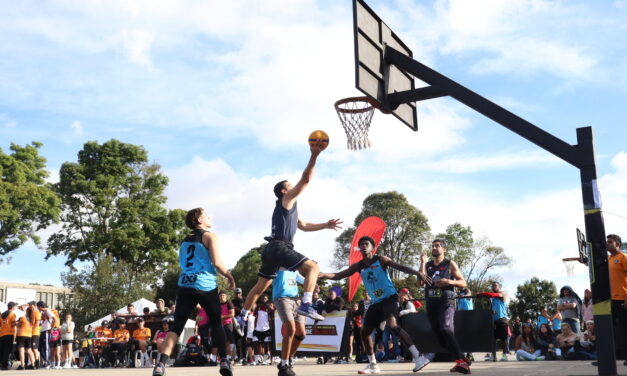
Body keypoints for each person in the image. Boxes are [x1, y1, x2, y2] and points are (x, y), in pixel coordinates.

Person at [242, 142, 342, 323]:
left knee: (260, 287)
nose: (292, 186)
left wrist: (325, 225)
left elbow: (303, 225)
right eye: (289, 185)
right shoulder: (286, 199)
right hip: (280, 246)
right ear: (283, 191)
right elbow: (305, 181)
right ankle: (306, 304)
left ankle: (242, 316)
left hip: (271, 249)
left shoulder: (289, 207)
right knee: (313, 268)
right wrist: (314, 156)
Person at [320, 236, 432, 374]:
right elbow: (338, 275)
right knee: (364, 332)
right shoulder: (358, 266)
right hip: (377, 302)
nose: (363, 246)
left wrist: (417, 273)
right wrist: (323, 274)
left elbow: (400, 267)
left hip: (390, 298)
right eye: (361, 245)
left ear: (373, 248)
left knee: (393, 325)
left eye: (366, 244)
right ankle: (373, 364)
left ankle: (419, 356)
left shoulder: (381, 260)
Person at [152, 208, 236, 376]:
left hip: (185, 284)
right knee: (216, 323)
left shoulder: (184, 241)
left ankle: (161, 364)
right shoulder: (210, 236)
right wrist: (229, 276)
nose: (209, 216)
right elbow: (217, 262)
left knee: (176, 327)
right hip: (205, 284)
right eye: (206, 214)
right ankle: (225, 361)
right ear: (198, 220)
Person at [419, 239, 471, 374]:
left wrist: (448, 281)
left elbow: (463, 283)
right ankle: (463, 359)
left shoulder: (449, 263)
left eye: (437, 246)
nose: (434, 248)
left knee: (446, 328)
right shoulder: (428, 265)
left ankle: (462, 362)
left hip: (446, 301)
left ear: (444, 249)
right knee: (441, 340)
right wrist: (423, 262)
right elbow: (420, 282)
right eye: (433, 246)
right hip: (431, 303)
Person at [272, 268, 307, 376]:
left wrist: (313, 280)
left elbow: (302, 280)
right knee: (291, 329)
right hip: (282, 298)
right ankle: (284, 364)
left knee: (301, 333)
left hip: (296, 299)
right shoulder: (277, 264)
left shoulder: (294, 268)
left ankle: (287, 359)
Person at [607, 233, 627, 363]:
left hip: (623, 299)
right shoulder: (608, 259)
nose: (607, 243)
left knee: (625, 328)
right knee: (614, 330)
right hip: (611, 300)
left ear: (617, 244)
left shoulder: (623, 257)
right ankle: (616, 356)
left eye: (610, 242)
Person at [479, 282, 509, 361]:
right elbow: (489, 308)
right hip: (493, 320)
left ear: (499, 286)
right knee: (493, 339)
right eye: (492, 285)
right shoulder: (491, 298)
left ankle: (504, 356)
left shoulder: (503, 293)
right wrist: (490, 311)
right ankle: (493, 356)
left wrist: (483, 293)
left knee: (504, 339)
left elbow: (495, 295)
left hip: (502, 319)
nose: (494, 286)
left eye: (495, 285)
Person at [16, 304, 36, 370]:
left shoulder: (23, 318)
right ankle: (33, 365)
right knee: (29, 351)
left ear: (27, 311)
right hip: (29, 335)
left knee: (21, 351)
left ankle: (22, 365)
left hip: (21, 334)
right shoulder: (33, 319)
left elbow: (18, 324)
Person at [218, 292, 236, 361]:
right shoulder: (218, 304)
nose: (222, 297)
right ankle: (227, 357)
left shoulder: (229, 303)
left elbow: (232, 314)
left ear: (226, 296)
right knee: (225, 341)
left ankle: (233, 356)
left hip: (228, 323)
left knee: (231, 340)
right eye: (220, 296)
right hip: (221, 325)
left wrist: (222, 317)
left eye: (223, 295)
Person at [0, 302, 17, 370]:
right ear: (12, 307)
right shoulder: (12, 314)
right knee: (7, 350)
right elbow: (13, 324)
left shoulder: (2, 314)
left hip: (2, 334)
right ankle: (5, 365)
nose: (16, 307)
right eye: (15, 306)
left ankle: (1, 363)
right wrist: (17, 323)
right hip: (9, 334)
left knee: (2, 350)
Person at [29, 301, 42, 368]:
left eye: (30, 305)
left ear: (34, 305)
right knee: (32, 348)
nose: (29, 306)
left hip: (35, 333)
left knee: (35, 348)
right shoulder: (32, 312)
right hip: (32, 333)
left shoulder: (36, 312)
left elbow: (37, 323)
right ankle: (34, 362)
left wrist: (31, 330)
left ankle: (37, 362)